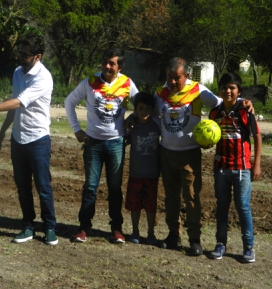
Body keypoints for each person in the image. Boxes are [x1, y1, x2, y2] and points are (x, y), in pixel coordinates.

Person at [152, 57, 253, 256]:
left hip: (189, 154)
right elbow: (152, 115)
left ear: (187, 76)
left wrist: (244, 102)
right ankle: (173, 235)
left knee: (191, 197)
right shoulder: (159, 93)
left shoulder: (198, 91)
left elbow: (223, 101)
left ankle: (194, 240)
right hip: (166, 152)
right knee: (171, 197)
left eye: (177, 78)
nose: (173, 82)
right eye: (170, 77)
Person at [0, 35, 58, 246]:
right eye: (19, 52)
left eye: (25, 54)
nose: (20, 56)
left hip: (38, 139)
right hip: (18, 139)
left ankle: (49, 228)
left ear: (37, 56)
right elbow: (14, 102)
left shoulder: (43, 77)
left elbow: (18, 102)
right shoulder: (18, 72)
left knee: (43, 186)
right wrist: (2, 133)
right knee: (22, 186)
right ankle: (28, 225)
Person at [65, 47, 139, 243]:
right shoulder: (90, 82)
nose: (107, 66)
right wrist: (76, 129)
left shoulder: (127, 83)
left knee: (115, 188)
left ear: (119, 67)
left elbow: (141, 105)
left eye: (112, 63)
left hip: (116, 143)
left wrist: (133, 116)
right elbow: (69, 102)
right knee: (90, 186)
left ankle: (116, 229)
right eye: (105, 62)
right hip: (93, 143)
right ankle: (84, 228)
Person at [208, 72, 261, 263]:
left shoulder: (245, 112)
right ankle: (220, 244)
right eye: (224, 87)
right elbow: (210, 135)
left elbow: (257, 137)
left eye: (232, 87)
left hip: (242, 168)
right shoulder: (214, 113)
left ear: (238, 91)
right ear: (220, 90)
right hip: (220, 168)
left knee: (243, 207)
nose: (228, 91)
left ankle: (248, 247)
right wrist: (205, 143)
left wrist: (256, 165)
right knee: (222, 207)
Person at [124, 92, 160, 245]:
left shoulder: (156, 124)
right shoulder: (131, 126)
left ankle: (151, 233)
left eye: (147, 108)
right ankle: (135, 232)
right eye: (140, 108)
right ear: (135, 109)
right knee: (135, 205)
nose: (144, 112)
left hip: (152, 174)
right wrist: (130, 119)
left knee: (151, 206)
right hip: (135, 173)